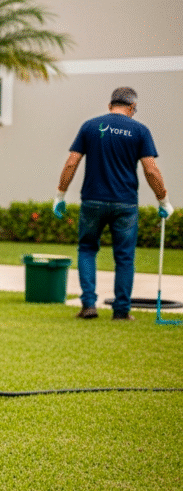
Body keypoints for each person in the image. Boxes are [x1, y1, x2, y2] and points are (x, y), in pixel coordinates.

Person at [54, 87, 174, 320]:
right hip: (125, 204)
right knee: (125, 257)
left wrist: (60, 195)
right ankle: (121, 311)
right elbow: (151, 170)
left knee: (87, 250)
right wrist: (163, 200)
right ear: (132, 108)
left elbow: (71, 163)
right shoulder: (140, 130)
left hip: (92, 200)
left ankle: (89, 305)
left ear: (110, 106)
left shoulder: (90, 126)